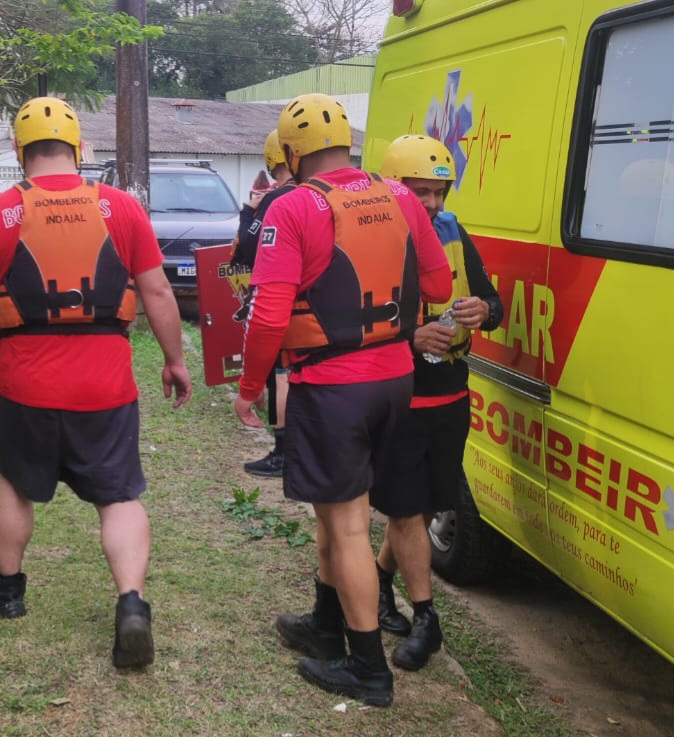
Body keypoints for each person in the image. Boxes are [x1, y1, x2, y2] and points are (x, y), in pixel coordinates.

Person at [0, 96, 191, 669]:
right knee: (119, 496)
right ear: (77, 148)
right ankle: (132, 604)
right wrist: (176, 360)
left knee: (14, 482)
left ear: (19, 152)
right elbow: (158, 292)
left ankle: (10, 591)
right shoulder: (121, 207)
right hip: (107, 384)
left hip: (25, 384)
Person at [234, 94, 452, 707]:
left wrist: (250, 389)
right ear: (347, 144)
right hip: (395, 379)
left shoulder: (295, 205)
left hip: (332, 386)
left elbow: (269, 311)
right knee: (335, 517)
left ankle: (366, 669)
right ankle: (325, 624)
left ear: (295, 153)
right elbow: (437, 283)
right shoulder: (403, 196)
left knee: (347, 525)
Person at [370, 134, 504, 672]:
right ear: (392, 188)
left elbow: (493, 302)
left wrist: (481, 311)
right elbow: (341, 327)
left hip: (450, 393)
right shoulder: (371, 239)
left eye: (438, 192)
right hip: (399, 397)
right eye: (418, 192)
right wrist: (409, 337)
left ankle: (380, 580)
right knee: (404, 507)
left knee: (425, 502)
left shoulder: (452, 231)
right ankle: (427, 618)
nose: (430, 204)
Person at [231, 130, 296, 478]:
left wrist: (248, 211)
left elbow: (247, 249)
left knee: (281, 373)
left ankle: (283, 452)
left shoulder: (278, 199)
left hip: (281, 298)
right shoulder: (316, 195)